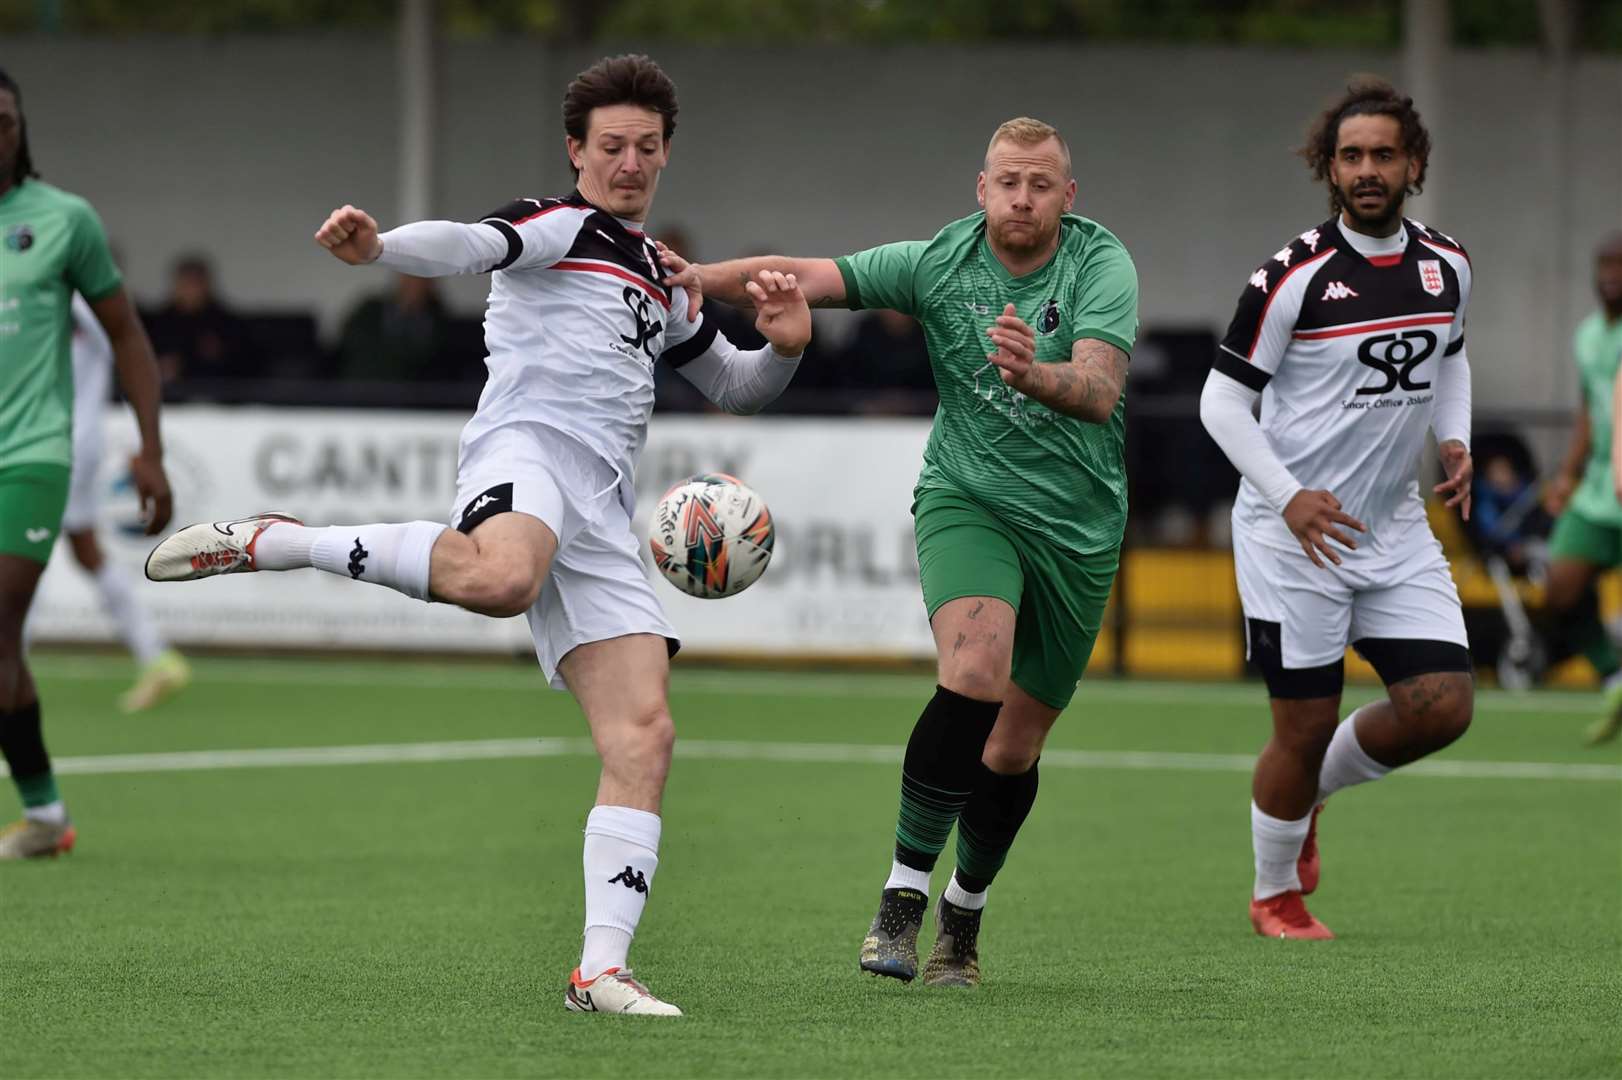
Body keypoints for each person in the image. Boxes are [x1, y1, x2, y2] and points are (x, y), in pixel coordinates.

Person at [146, 54, 811, 1016]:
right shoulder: (559, 223)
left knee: (645, 733)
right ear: (577, 151)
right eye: (612, 145)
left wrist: (785, 344)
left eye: (648, 148)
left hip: (604, 505)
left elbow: (739, 389)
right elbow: (464, 244)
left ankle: (600, 972)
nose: (630, 162)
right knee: (502, 577)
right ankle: (281, 541)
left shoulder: (665, 277)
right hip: (528, 447)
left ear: (667, 155)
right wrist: (378, 249)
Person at [665, 116, 1138, 986]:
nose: (1023, 198)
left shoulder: (1100, 265)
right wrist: (699, 277)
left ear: (1067, 197)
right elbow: (804, 274)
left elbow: (1102, 392)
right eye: (1008, 182)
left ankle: (965, 912)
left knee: (1014, 748)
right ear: (981, 188)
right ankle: (901, 899)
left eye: (1041, 184)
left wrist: (1036, 372)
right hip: (969, 497)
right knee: (973, 670)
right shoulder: (937, 263)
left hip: (1078, 528)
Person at [1198, 78, 1475, 939]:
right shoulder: (1292, 277)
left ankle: (1313, 795)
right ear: (1329, 166)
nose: (1366, 170)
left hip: (1390, 526)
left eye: (1383, 155)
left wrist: (1456, 440)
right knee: (1304, 722)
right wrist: (1288, 501)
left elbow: (1451, 359)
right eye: (1350, 155)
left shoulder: (1448, 264)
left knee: (1444, 706)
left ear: (1413, 165)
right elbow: (1219, 405)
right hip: (1293, 538)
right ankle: (1274, 893)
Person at [0, 68, 172, 859]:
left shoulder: (63, 220)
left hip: (30, 457)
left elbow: (128, 334)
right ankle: (43, 814)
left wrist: (150, 449)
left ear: (21, 129)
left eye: (3, 120)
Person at [42, 295, 191, 712]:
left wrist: (141, 444)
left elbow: (128, 351)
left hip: (56, 442)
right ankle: (156, 654)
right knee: (85, 551)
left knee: (19, 549)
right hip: (70, 442)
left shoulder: (71, 298)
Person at [1546, 231, 1622, 744]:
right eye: (1604, 266)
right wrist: (1568, 474)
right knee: (1561, 587)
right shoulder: (1587, 335)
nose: (1611, 276)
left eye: (1620, 266)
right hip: (1599, 493)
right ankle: (1614, 675)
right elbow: (1589, 414)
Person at [144, 253, 256, 382]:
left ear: (206, 285)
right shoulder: (159, 322)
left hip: (214, 392)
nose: (190, 291)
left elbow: (242, 365)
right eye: (185, 283)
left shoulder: (226, 324)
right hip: (168, 395)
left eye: (195, 283)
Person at [334, 273, 454, 383]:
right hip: (366, 391)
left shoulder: (441, 321)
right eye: (410, 277)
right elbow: (350, 348)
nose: (415, 284)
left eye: (422, 279)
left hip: (419, 396)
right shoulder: (369, 313)